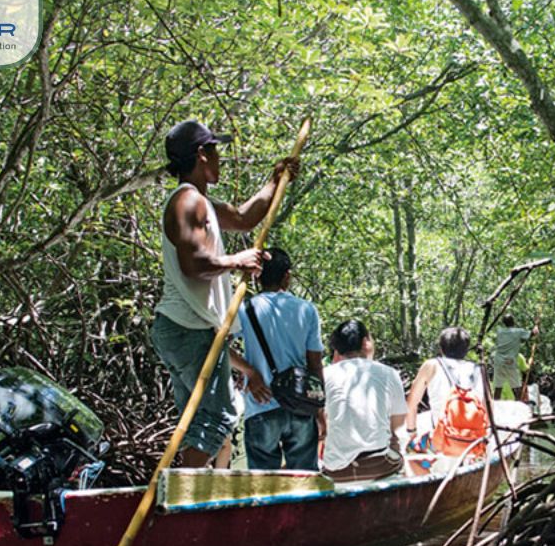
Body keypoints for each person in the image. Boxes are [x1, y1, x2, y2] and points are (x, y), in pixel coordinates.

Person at [151, 119, 297, 468]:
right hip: (188, 329)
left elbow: (245, 217)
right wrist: (237, 261)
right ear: (202, 154)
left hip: (180, 328)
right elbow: (193, 263)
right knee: (220, 415)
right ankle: (184, 490)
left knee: (196, 419)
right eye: (216, 151)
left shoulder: (200, 202)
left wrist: (277, 180)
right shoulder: (188, 202)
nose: (220, 160)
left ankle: (185, 495)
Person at [229, 247, 325, 470]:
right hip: (300, 406)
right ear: (287, 276)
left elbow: (217, 346)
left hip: (262, 404)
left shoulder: (245, 309)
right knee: (304, 481)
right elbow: (315, 365)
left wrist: (250, 373)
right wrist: (320, 410)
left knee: (264, 485)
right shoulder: (307, 310)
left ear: (257, 276)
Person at [321, 320, 406, 483]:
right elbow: (398, 428)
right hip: (379, 466)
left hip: (337, 472)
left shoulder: (325, 375)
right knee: (398, 454)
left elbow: (320, 426)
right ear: (366, 342)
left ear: (337, 349)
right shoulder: (389, 373)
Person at [404, 326, 487, 453]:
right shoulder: (478, 369)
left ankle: (425, 466)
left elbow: (411, 405)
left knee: (411, 449)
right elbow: (488, 409)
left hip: (441, 443)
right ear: (466, 349)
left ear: (441, 348)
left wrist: (412, 433)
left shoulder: (431, 365)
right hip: (473, 444)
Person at [490, 314, 537, 400]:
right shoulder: (518, 332)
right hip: (510, 361)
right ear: (513, 321)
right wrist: (535, 329)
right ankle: (519, 403)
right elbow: (532, 334)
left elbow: (515, 340)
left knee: (498, 385)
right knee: (516, 386)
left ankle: (495, 404)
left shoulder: (500, 332)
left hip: (499, 361)